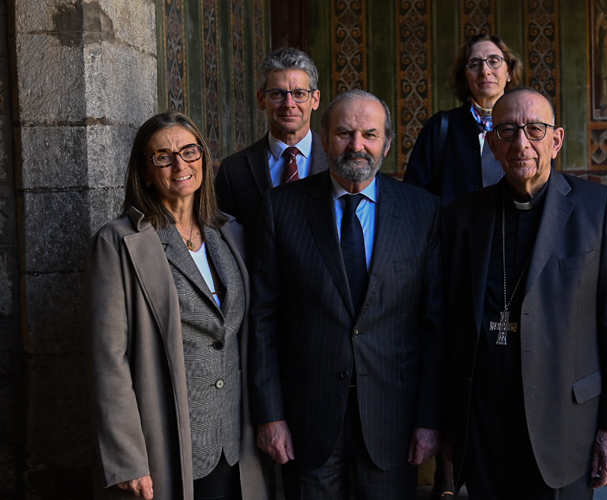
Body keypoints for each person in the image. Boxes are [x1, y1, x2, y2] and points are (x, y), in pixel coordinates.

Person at [442, 87, 607, 500]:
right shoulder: (463, 215)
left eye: (535, 129)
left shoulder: (595, 208)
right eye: (509, 131)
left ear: (557, 139)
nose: (521, 143)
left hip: (565, 423)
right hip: (483, 422)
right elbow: (447, 323)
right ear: (492, 144)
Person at [250, 89, 444, 500]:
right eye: (344, 133)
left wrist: (429, 419)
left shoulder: (423, 211)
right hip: (308, 415)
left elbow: (434, 324)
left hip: (394, 415)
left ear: (387, 143)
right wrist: (270, 414)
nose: (357, 145)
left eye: (370, 135)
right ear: (323, 138)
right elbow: (263, 318)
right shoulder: (281, 208)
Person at [86, 111, 267, 500]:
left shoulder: (230, 233)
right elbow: (108, 360)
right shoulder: (118, 243)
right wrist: (127, 459)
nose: (180, 164)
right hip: (169, 439)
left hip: (235, 439)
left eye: (189, 151)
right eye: (163, 156)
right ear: (146, 172)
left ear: (203, 157)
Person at [215, 47, 329, 253]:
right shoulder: (234, 170)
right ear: (261, 99)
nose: (289, 104)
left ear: (315, 99)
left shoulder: (336, 161)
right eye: (277, 94)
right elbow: (224, 247)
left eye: (299, 94)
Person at [404, 33, 523, 206]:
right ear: (465, 78)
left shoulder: (528, 126)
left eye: (494, 61)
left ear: (509, 72)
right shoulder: (440, 127)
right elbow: (415, 195)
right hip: (453, 232)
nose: (485, 71)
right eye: (475, 64)